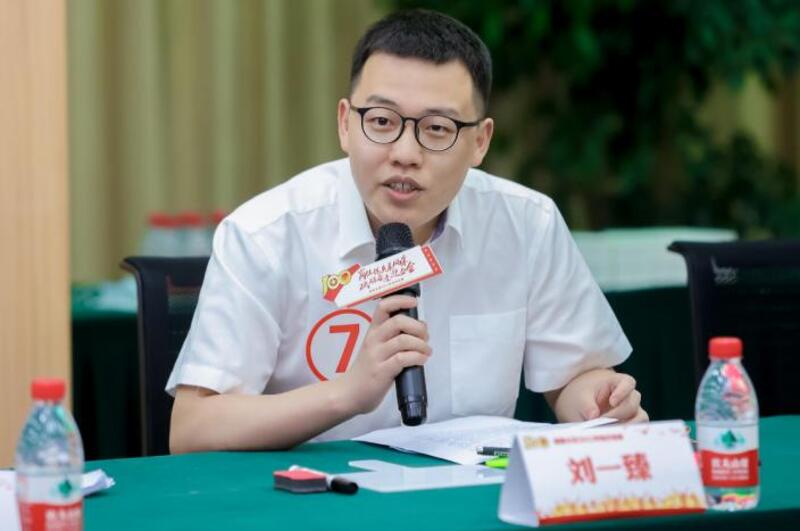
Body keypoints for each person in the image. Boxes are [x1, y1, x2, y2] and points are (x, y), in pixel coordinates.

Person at [166, 9, 648, 454]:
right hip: (315, 498)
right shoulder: (265, 235)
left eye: (437, 129)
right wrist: (345, 394)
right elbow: (192, 430)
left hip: (468, 497)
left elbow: (575, 378)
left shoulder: (527, 224)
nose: (404, 153)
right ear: (345, 124)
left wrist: (599, 404)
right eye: (381, 122)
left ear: (479, 142)